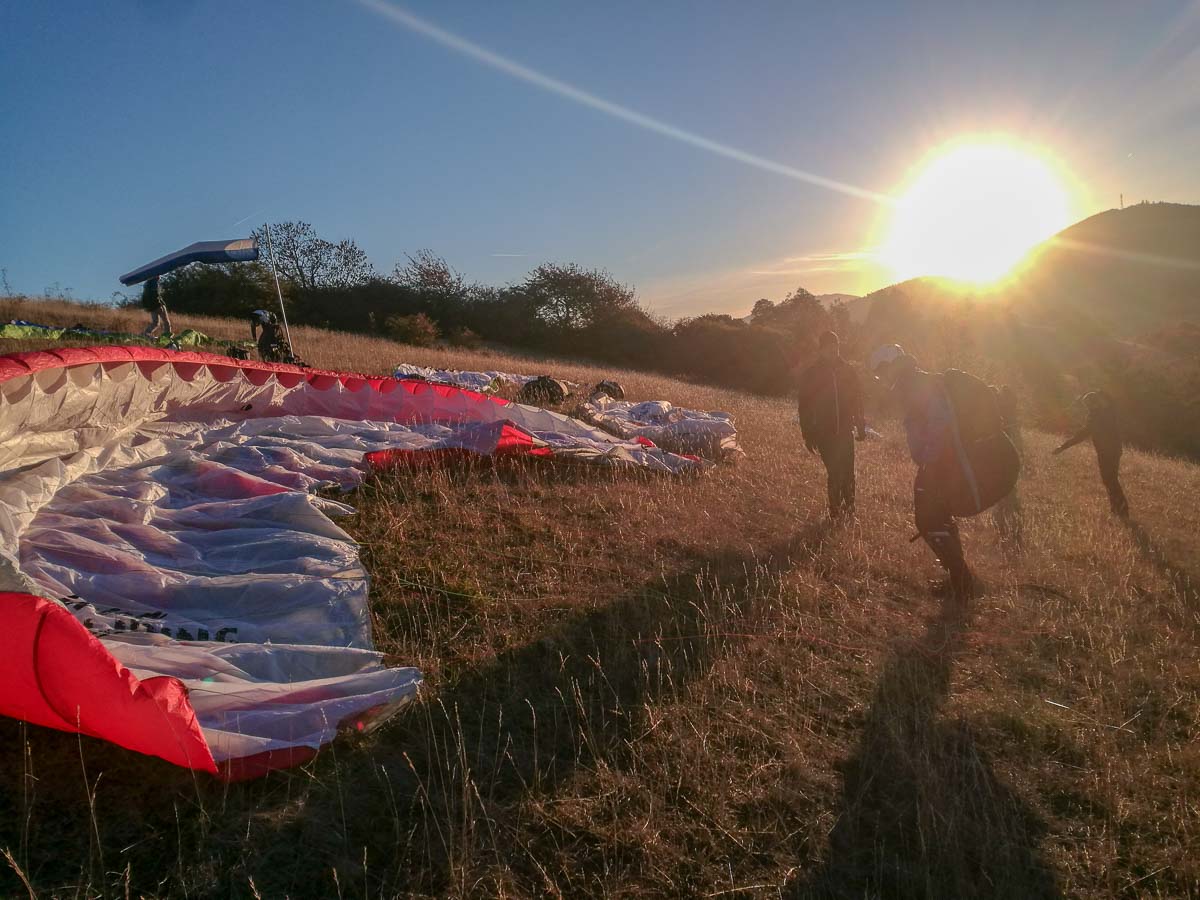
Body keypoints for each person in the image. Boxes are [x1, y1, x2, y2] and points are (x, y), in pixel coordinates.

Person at [870, 344, 1020, 606]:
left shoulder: (914, 385)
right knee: (938, 514)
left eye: (881, 373)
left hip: (953, 463)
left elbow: (940, 422)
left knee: (927, 519)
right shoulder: (919, 381)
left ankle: (962, 583)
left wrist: (929, 461)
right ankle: (959, 578)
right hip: (959, 461)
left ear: (891, 366)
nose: (882, 380)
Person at [797, 330, 865, 519]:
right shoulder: (812, 374)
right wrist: (808, 434)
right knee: (835, 472)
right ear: (821, 349)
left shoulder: (848, 370)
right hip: (824, 433)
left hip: (845, 431)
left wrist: (860, 424)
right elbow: (804, 406)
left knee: (848, 472)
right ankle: (836, 513)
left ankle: (849, 511)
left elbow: (857, 399)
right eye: (828, 347)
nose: (833, 350)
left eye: (835, 346)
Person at [1053, 390, 1129, 518]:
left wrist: (1063, 447)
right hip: (1112, 451)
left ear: (1093, 404)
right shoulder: (1106, 413)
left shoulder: (1098, 416)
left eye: (1088, 405)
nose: (1087, 408)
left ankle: (1121, 509)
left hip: (1107, 453)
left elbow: (1081, 435)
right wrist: (1063, 447)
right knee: (1110, 480)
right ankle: (1118, 509)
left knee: (1109, 480)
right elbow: (1082, 434)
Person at [991, 385, 1025, 547]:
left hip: (1002, 461)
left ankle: (1009, 533)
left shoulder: (1001, 414)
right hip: (1004, 461)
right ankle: (1007, 532)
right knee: (1006, 497)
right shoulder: (1006, 413)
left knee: (1004, 498)